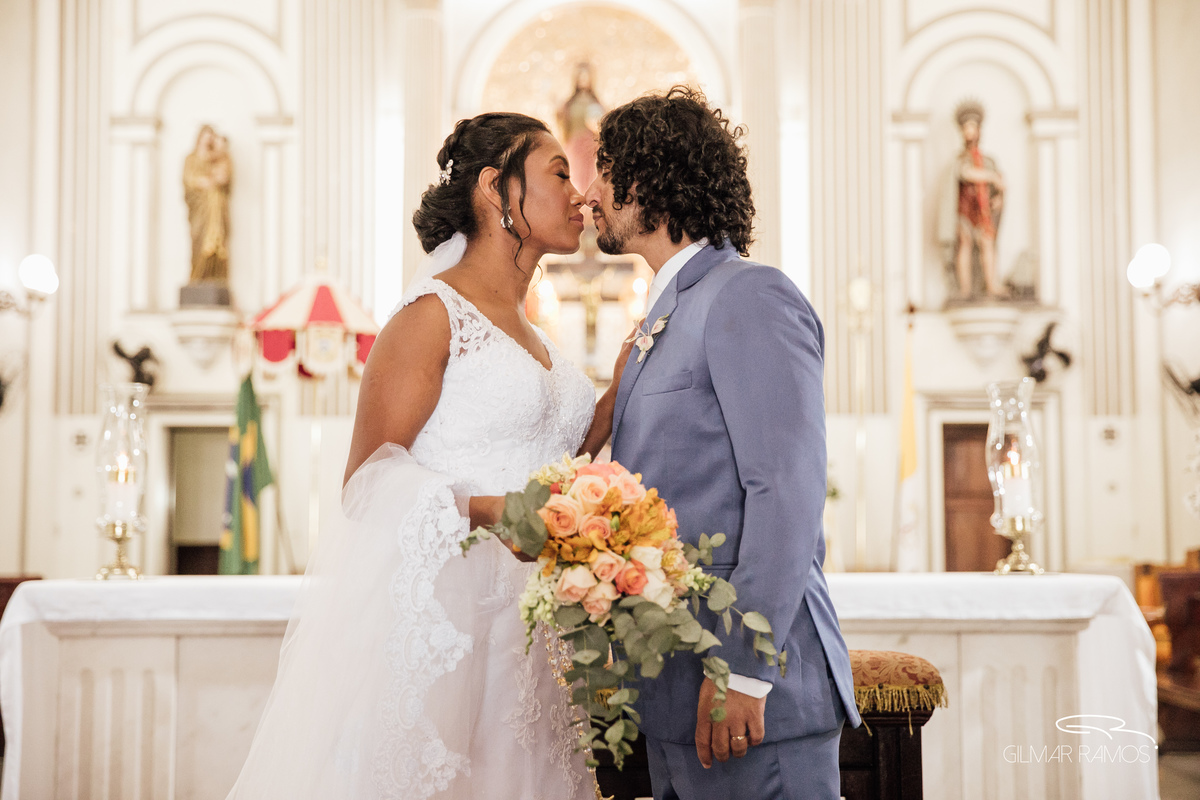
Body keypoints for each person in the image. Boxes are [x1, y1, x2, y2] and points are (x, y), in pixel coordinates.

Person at [226, 112, 630, 799]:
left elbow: (548, 462)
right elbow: (365, 483)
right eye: (560, 173)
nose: (581, 194)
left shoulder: (541, 339)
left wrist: (621, 395)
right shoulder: (431, 317)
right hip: (452, 621)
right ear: (493, 189)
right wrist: (487, 510)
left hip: (534, 634)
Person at [582, 87, 860, 800]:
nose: (590, 194)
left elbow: (787, 489)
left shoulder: (748, 295)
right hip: (677, 695)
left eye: (603, 172)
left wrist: (744, 671)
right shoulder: (668, 314)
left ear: (646, 182)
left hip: (749, 697)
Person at [937, 99, 1006, 300]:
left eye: (973, 128)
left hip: (982, 210)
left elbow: (998, 184)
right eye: (966, 128)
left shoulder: (987, 160)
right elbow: (966, 174)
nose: (970, 132)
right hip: (965, 209)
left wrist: (998, 196)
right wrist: (991, 177)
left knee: (987, 243)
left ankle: (992, 285)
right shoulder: (961, 159)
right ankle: (965, 289)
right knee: (965, 243)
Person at [183, 125, 232, 284]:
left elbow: (224, 178)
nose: (208, 139)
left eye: (211, 136)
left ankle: (215, 277)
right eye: (206, 135)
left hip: (215, 210)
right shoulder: (191, 159)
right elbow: (189, 180)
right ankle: (197, 276)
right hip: (200, 210)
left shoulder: (217, 159)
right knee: (199, 240)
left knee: (217, 243)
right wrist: (204, 182)